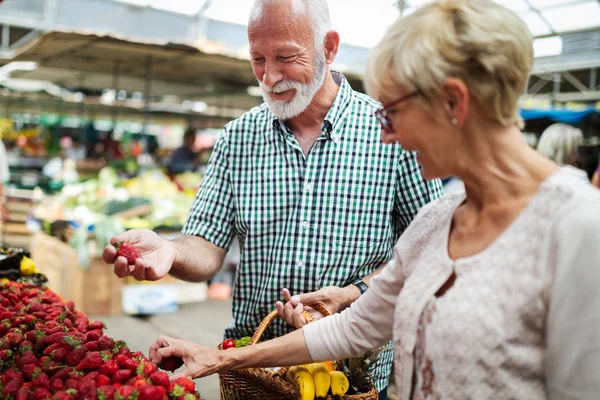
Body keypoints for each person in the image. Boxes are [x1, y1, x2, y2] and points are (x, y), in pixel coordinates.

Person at [147, 1, 600, 399]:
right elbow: (353, 327)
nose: (386, 133)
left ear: (452, 103)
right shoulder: (441, 220)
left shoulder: (578, 227)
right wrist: (218, 359)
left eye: (393, 111)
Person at [103, 0, 443, 396]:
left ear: (329, 48)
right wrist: (170, 251)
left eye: (285, 57)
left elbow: (429, 251)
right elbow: (207, 245)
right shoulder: (238, 139)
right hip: (251, 372)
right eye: (257, 59)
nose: (270, 76)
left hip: (351, 378)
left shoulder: (390, 134)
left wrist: (354, 294)